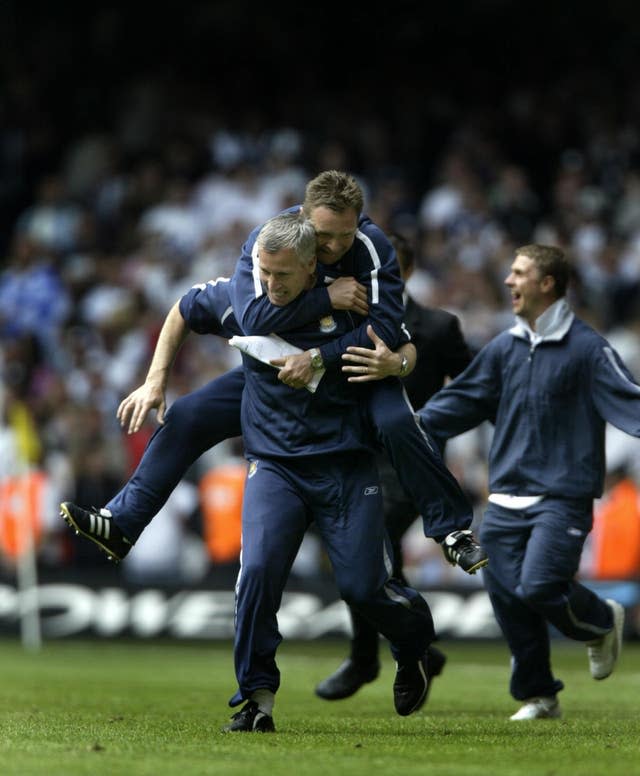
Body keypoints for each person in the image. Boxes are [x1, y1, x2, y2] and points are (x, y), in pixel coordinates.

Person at [60, 171, 486, 574]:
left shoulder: (372, 248)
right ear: (300, 224)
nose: (336, 246)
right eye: (324, 237)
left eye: (345, 234)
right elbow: (246, 317)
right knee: (187, 415)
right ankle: (121, 522)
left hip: (354, 374)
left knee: (398, 422)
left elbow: (389, 330)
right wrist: (327, 299)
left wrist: (324, 358)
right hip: (274, 380)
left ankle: (452, 530)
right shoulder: (273, 246)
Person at [220, 212, 437, 731]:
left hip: (345, 463)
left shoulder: (362, 302)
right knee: (257, 574)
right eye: (263, 272)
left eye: (282, 276)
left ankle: (413, 648)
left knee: (364, 589)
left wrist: (394, 363)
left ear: (312, 264)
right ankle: (257, 698)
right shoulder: (251, 296)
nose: (269, 285)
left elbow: (401, 344)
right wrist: (157, 377)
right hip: (274, 464)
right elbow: (194, 308)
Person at [418, 243, 640, 721]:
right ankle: (540, 695)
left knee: (539, 586)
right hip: (503, 499)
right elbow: (462, 401)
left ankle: (601, 621)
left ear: (547, 284)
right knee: (509, 599)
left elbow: (631, 403)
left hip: (562, 497)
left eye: (519, 273)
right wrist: (406, 428)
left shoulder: (588, 349)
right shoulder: (505, 346)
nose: (508, 281)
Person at [315, 231, 474, 701]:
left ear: (399, 271)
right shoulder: (345, 320)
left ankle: (371, 657)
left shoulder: (439, 327)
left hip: (409, 458)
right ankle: (414, 645)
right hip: (354, 452)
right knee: (361, 549)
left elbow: (473, 385)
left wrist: (435, 423)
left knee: (371, 537)